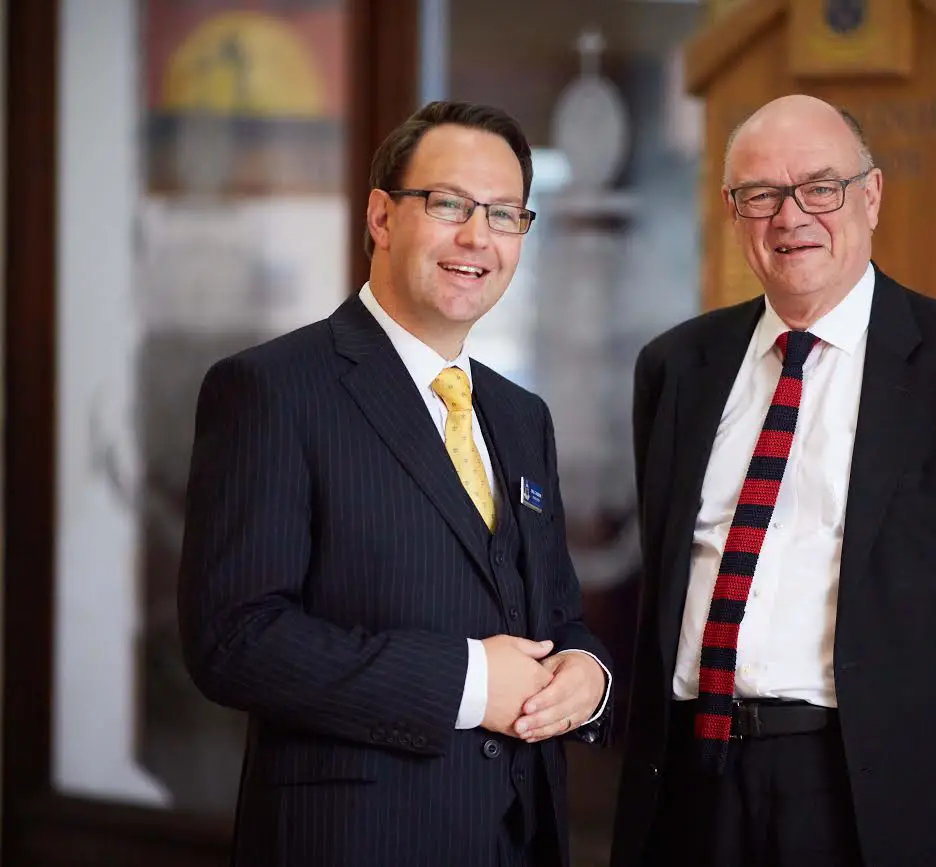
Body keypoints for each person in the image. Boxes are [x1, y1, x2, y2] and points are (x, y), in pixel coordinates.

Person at [610, 94, 936, 867]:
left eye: (819, 188)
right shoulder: (676, 368)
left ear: (870, 197)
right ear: (734, 213)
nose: (790, 215)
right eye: (760, 194)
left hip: (869, 801)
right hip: (693, 790)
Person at [178, 100, 612, 867]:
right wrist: (471, 680)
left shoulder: (520, 416)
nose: (479, 237)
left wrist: (589, 674)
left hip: (520, 839)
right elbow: (233, 639)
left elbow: (553, 613)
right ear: (381, 216)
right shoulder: (274, 388)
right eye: (450, 204)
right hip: (354, 840)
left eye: (506, 214)